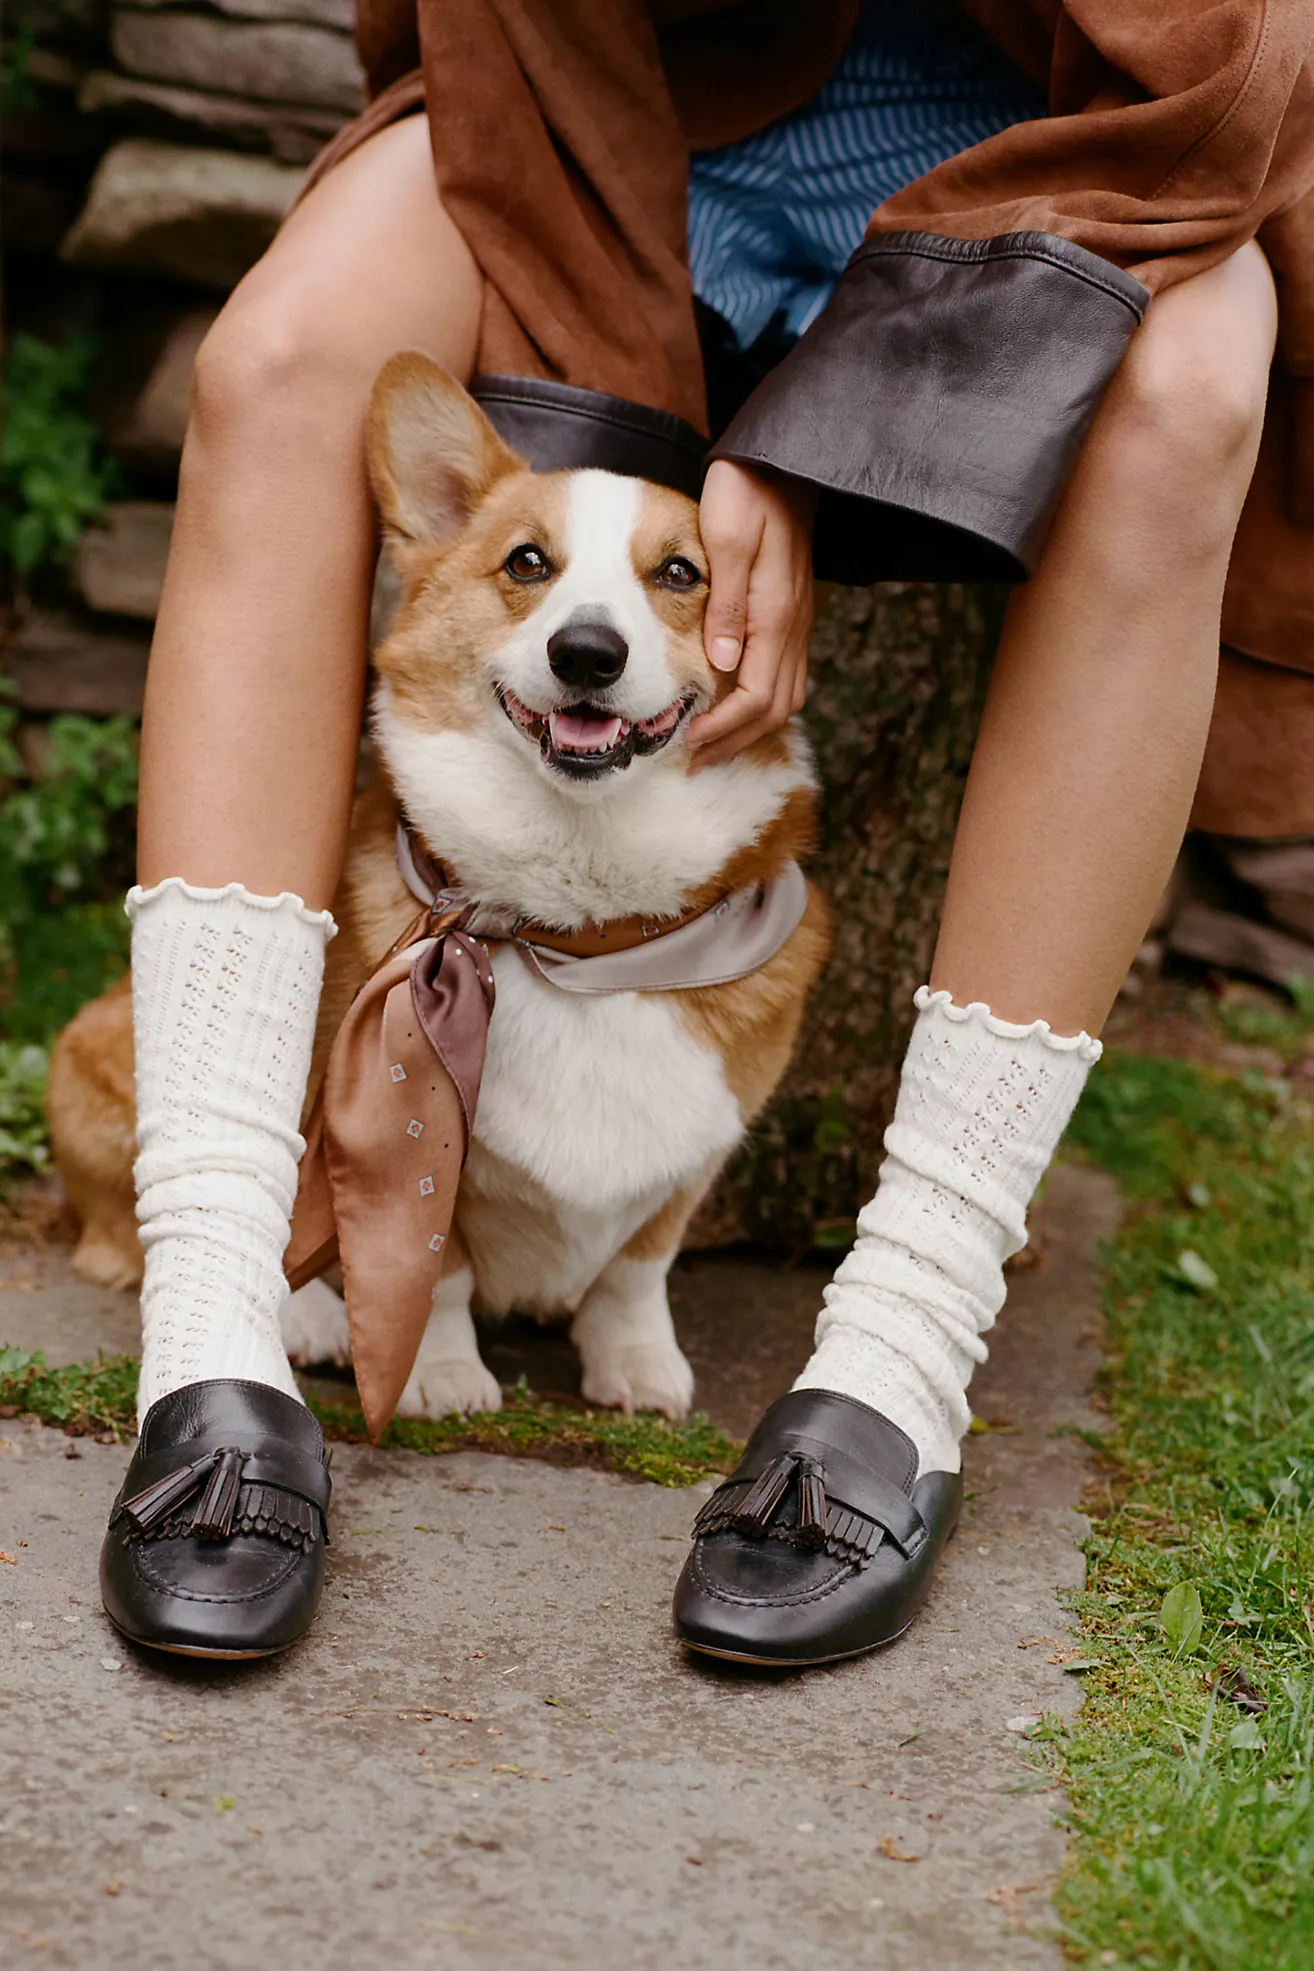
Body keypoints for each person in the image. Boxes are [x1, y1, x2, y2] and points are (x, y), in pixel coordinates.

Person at [100, 0, 1314, 1663]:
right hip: (620, 111)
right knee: (282, 356)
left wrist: (817, 441)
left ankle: (904, 1341)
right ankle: (211, 1320)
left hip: (1071, 152)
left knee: (1186, 398)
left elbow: (1222, 70)